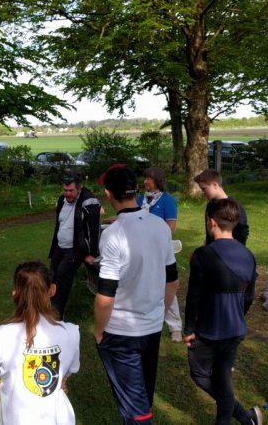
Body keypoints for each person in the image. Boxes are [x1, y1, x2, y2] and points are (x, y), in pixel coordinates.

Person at [94, 165, 178, 424]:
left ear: (108, 194)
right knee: (142, 401)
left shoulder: (112, 234)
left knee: (136, 411)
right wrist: (160, 314)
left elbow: (105, 295)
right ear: (137, 189)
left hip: (121, 333)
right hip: (152, 328)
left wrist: (98, 331)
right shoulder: (160, 226)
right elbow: (172, 281)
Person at [184, 199, 262, 425]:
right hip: (235, 328)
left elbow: (193, 296)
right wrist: (237, 315)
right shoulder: (248, 255)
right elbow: (249, 296)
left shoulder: (203, 254)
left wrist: (189, 329)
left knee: (200, 374)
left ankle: (243, 417)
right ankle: (246, 419)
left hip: (209, 329)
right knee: (223, 378)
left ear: (211, 222)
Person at [0, 261, 81, 424]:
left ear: (15, 293)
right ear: (52, 290)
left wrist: (2, 388)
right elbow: (67, 372)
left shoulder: (0, 335)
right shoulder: (72, 332)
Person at [137, 167, 183, 343]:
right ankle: (145, 319)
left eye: (148, 179)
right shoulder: (140, 199)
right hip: (142, 249)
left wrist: (150, 232)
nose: (145, 182)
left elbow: (171, 227)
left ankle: (175, 327)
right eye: (145, 178)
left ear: (157, 180)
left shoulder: (167, 201)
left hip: (160, 250)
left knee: (166, 285)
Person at [48, 173, 100, 320]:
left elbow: (94, 230)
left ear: (79, 188)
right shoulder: (61, 200)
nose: (67, 194)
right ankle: (48, 309)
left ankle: (56, 316)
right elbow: (60, 224)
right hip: (60, 246)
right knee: (52, 275)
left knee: (63, 276)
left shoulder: (89, 202)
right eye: (65, 190)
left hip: (76, 249)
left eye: (71, 191)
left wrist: (91, 253)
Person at [194, 169, 249, 245]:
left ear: (215, 185)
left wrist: (235, 248)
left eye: (204, 189)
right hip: (212, 249)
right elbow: (210, 234)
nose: (203, 192)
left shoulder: (234, 207)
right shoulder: (210, 205)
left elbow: (242, 233)